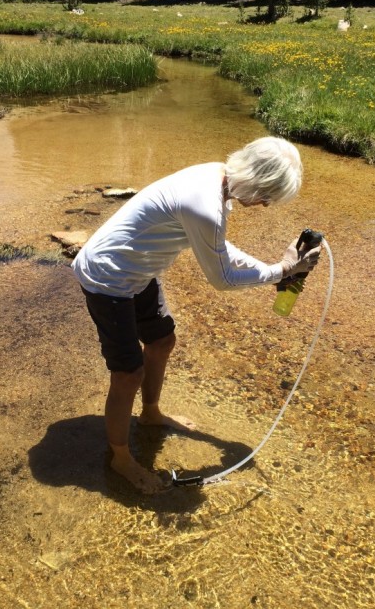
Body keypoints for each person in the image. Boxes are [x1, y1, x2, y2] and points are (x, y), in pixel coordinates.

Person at [71, 137, 320, 493]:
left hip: (138, 270)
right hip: (108, 276)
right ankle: (121, 458)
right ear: (255, 179)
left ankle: (151, 413)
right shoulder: (204, 202)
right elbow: (223, 279)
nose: (265, 204)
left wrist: (275, 270)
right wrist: (280, 271)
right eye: (267, 195)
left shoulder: (218, 178)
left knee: (162, 340)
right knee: (128, 373)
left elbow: (219, 248)